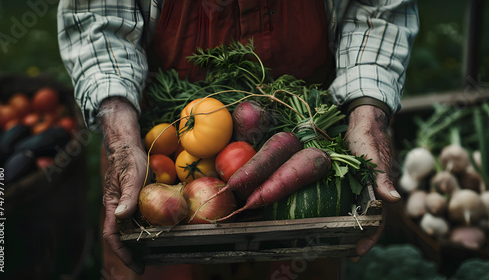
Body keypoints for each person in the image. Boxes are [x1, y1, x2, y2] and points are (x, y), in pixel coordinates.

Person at [58, 0, 419, 278]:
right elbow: (96, 18)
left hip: (310, 123)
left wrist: (366, 116)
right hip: (149, 139)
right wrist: (123, 139)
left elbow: (378, 9)